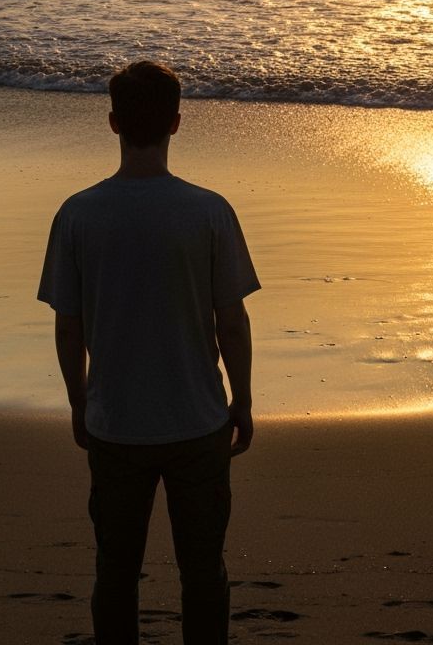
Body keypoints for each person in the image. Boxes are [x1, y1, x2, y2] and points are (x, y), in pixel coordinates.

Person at [38, 60, 260, 645]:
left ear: (113, 122)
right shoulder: (208, 210)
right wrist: (242, 399)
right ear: (176, 123)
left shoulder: (78, 213)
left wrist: (79, 401)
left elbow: (69, 326)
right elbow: (232, 321)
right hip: (197, 420)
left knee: (115, 572)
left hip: (117, 422)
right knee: (203, 572)